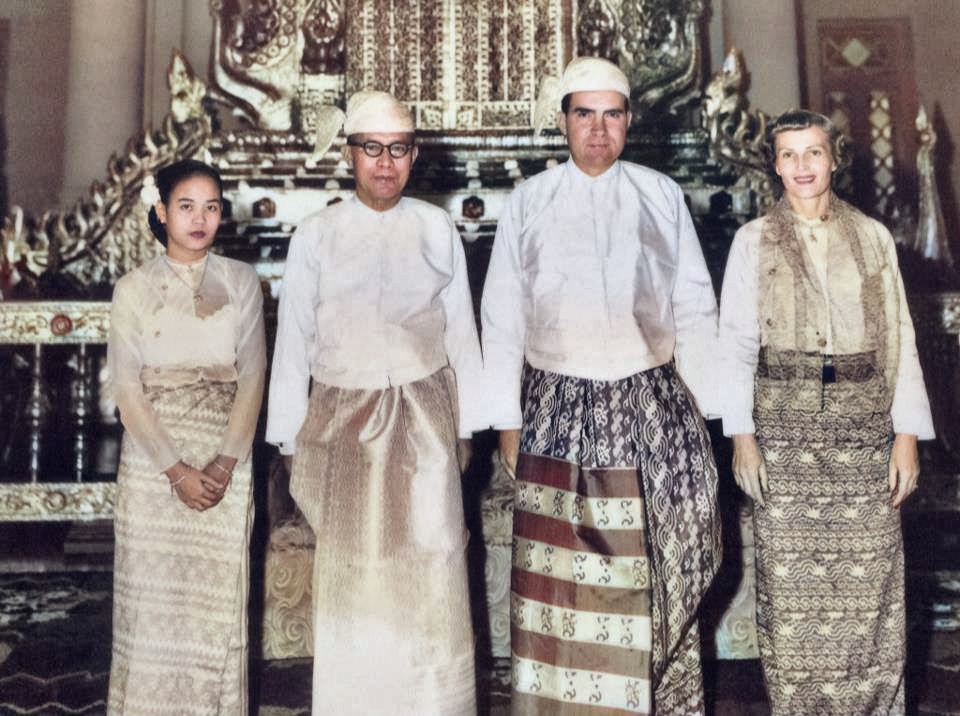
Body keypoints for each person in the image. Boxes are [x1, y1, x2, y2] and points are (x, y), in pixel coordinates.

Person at [481, 57, 722, 715]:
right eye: (583, 113)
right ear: (563, 121)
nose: (597, 129)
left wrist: (710, 413)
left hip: (653, 403)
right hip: (559, 409)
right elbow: (502, 316)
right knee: (569, 580)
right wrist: (508, 420)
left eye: (611, 113)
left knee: (668, 552)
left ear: (629, 121)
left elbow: (694, 304)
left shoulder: (659, 193)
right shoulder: (530, 201)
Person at [265, 90, 484, 715]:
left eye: (398, 150)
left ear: (414, 156)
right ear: (350, 153)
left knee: (434, 568)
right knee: (357, 578)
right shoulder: (317, 234)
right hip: (341, 421)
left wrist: (466, 426)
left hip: (426, 417)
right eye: (371, 149)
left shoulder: (435, 226)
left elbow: (460, 332)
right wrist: (286, 439)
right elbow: (294, 342)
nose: (385, 164)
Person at [718, 109, 934, 714]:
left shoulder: (872, 237)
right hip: (784, 439)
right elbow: (733, 345)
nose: (802, 167)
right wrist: (743, 439)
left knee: (871, 598)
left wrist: (906, 437)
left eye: (813, 153)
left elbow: (900, 336)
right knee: (792, 604)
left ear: (835, 158)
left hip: (864, 436)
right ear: (775, 165)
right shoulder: (752, 241)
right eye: (788, 155)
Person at [107, 159, 266, 714]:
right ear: (161, 212)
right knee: (153, 607)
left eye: (212, 206)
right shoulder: (132, 288)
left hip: (227, 452)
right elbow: (127, 387)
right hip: (156, 463)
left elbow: (253, 377)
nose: (200, 218)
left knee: (216, 609)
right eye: (186, 206)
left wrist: (223, 464)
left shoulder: (242, 282)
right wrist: (175, 470)